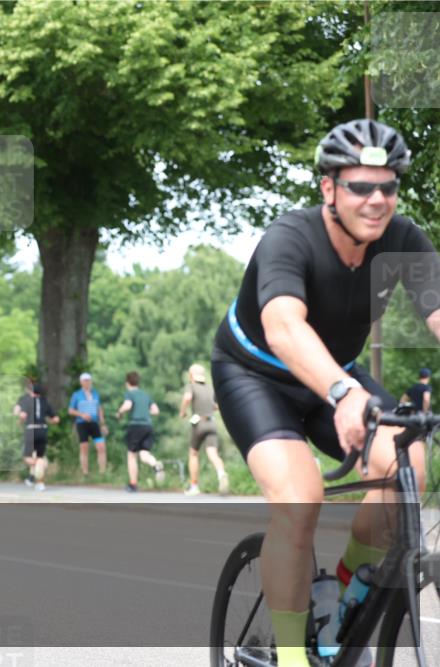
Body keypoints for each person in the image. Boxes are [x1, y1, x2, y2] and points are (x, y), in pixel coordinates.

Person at [211, 119, 440, 666]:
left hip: (336, 374)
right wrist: (342, 392)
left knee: (408, 465)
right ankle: (292, 657)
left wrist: (341, 386)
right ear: (329, 189)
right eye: (361, 186)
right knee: (301, 496)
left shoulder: (403, 240)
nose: (377, 199)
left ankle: (339, 602)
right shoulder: (291, 237)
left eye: (387, 186)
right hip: (257, 375)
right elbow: (286, 327)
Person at [179, 364, 229, 495]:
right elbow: (216, 406)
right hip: (212, 423)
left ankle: (194, 486)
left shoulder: (191, 386)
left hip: (199, 423)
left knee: (193, 453)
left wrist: (183, 412)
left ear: (191, 375)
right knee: (212, 453)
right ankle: (221, 474)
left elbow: (187, 398)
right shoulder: (210, 388)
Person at [116, 371, 163, 492]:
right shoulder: (146, 394)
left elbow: (127, 405)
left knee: (132, 455)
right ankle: (155, 464)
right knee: (144, 454)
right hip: (148, 425)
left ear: (127, 383)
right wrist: (146, 413)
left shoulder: (130, 393)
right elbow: (156, 410)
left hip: (136, 425)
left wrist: (119, 412)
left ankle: (133, 484)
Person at [16, 382, 60, 492]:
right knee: (39, 457)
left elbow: (23, 415)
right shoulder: (45, 401)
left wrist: (20, 421)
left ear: (32, 391)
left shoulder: (27, 401)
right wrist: (46, 420)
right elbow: (56, 419)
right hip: (42, 430)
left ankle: (38, 471)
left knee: (28, 458)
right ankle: (37, 482)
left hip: (31, 430)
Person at [68, 372, 109, 477]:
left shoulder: (95, 393)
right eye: (85, 380)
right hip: (82, 424)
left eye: (89, 380)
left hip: (94, 423)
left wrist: (103, 423)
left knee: (101, 447)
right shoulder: (76, 395)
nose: (87, 382)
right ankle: (85, 473)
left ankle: (102, 472)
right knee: (84, 447)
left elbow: (99, 409)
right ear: (81, 382)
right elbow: (70, 410)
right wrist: (82, 414)